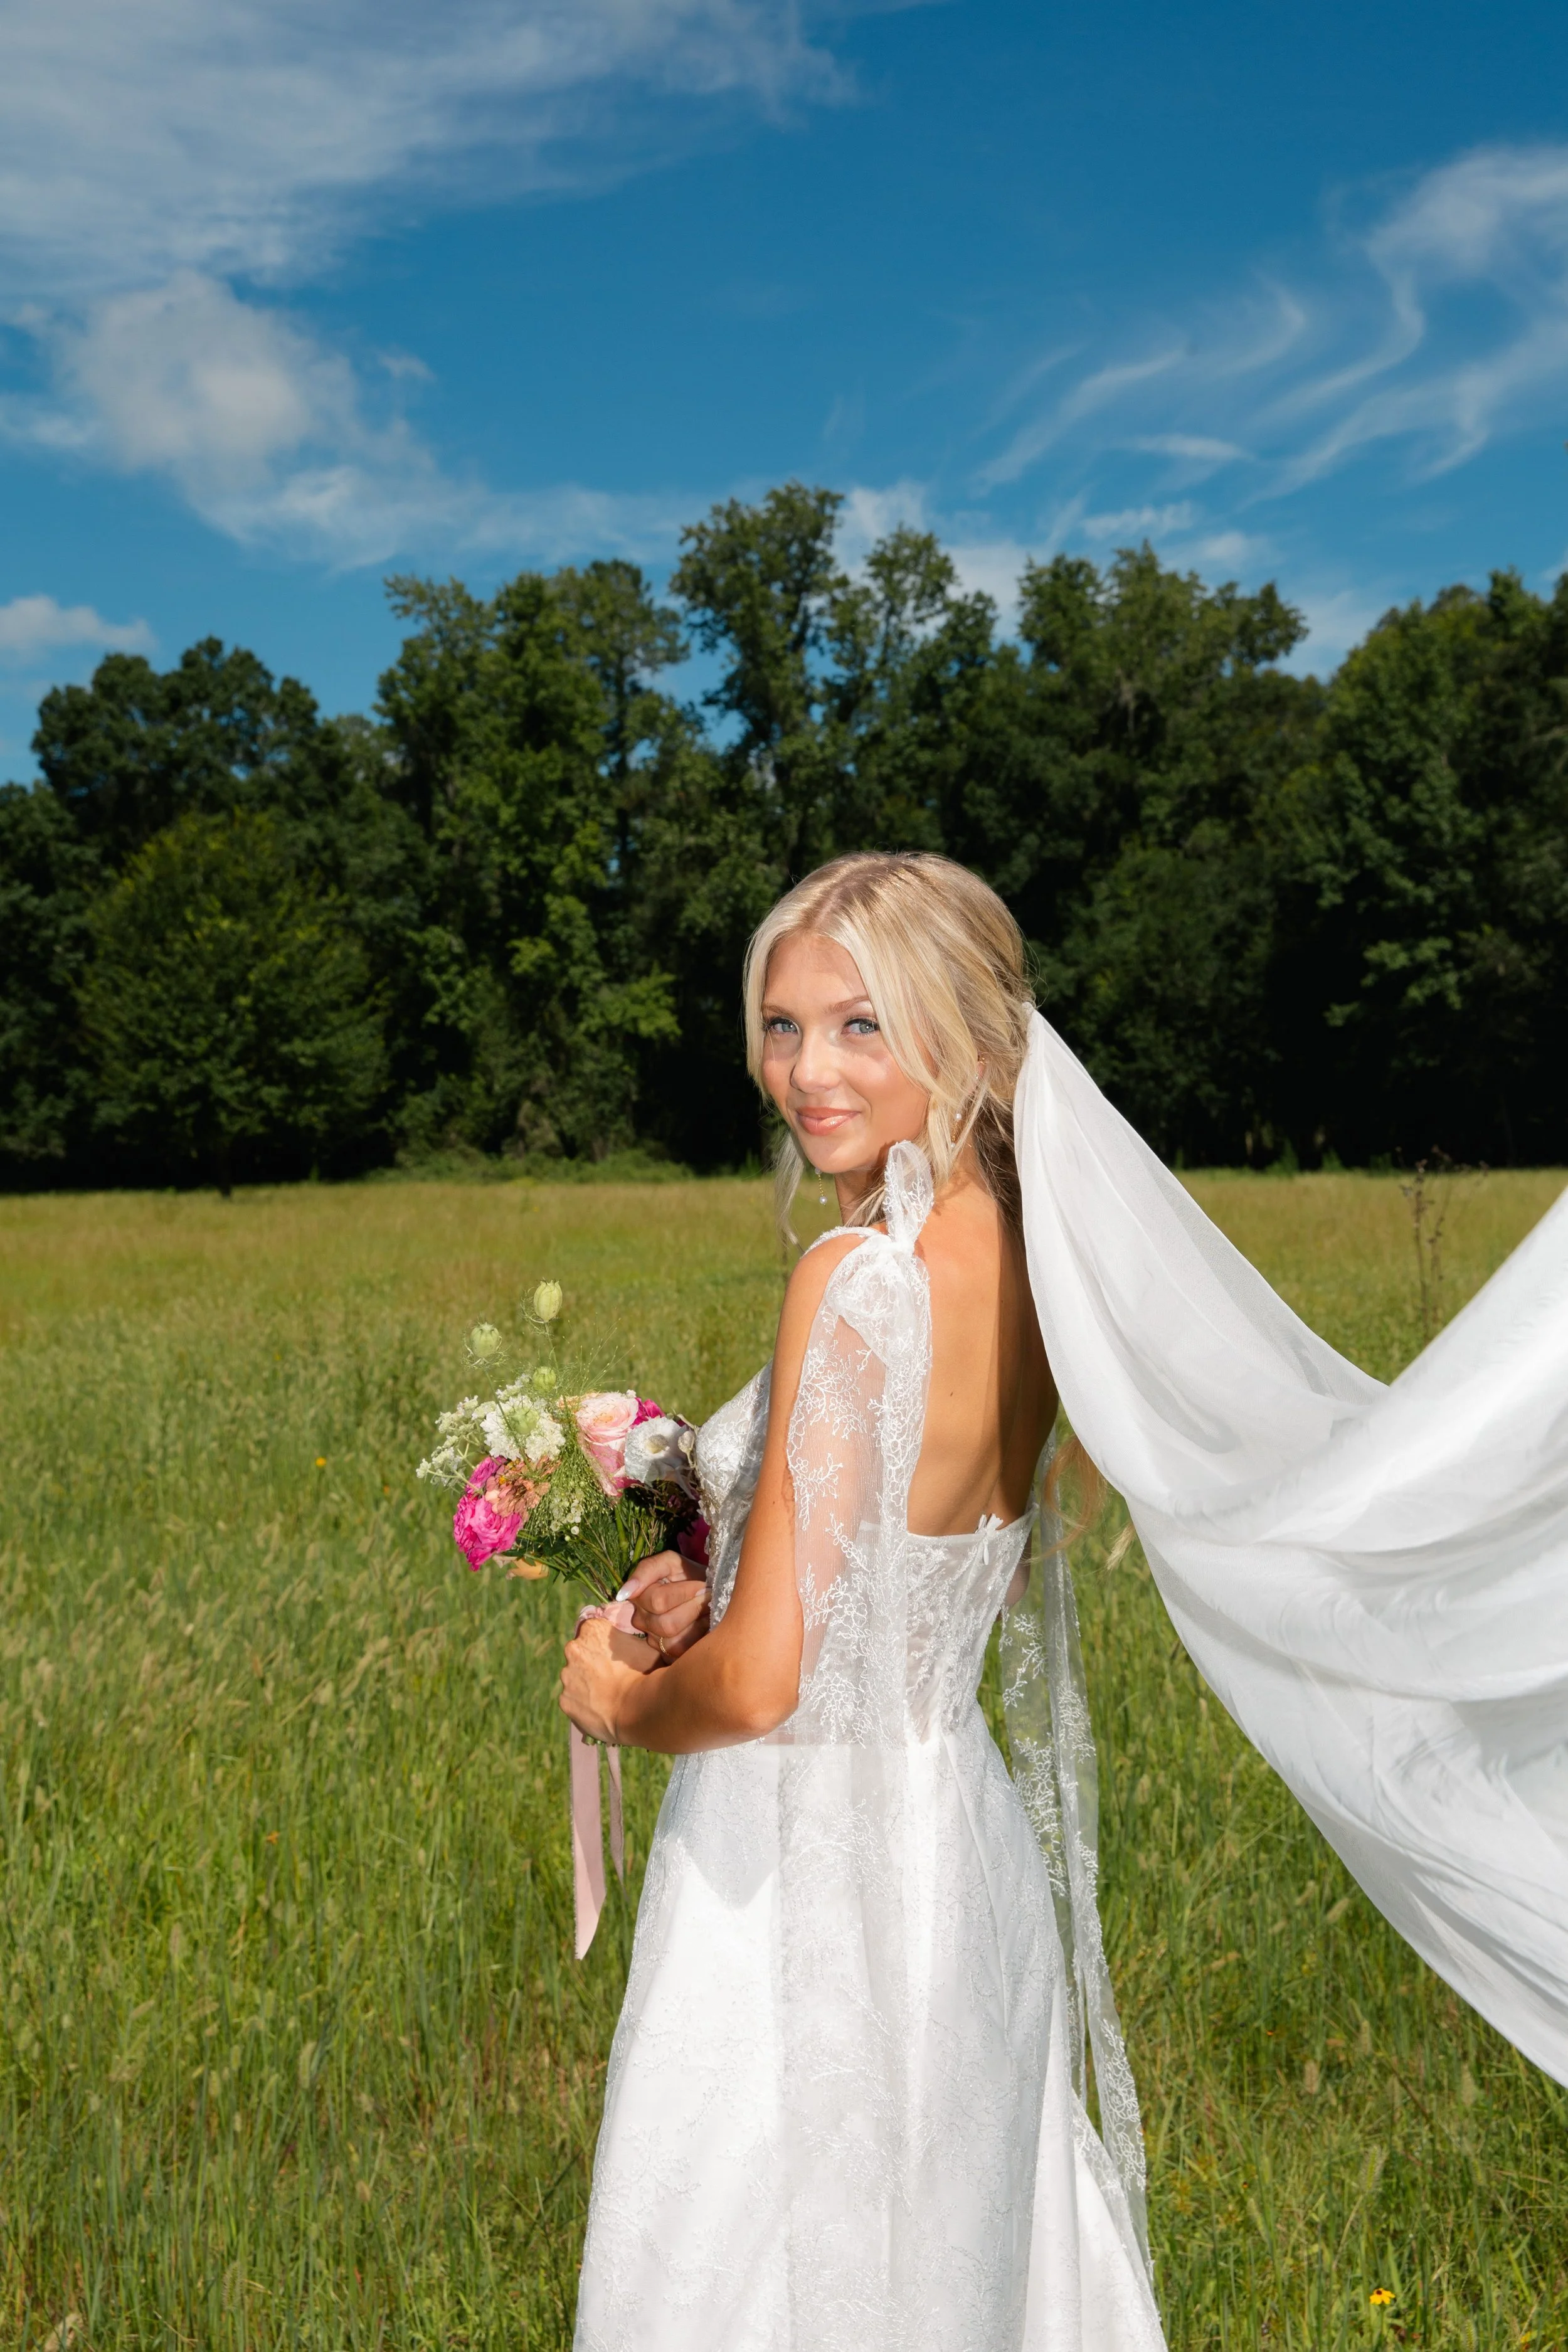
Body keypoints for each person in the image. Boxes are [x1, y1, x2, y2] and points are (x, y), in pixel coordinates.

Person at [560, 852, 1568, 2352]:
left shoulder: (852, 1277)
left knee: (744, 2268)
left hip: (794, 1859)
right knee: (961, 2266)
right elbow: (889, 1569)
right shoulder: (1033, 1267)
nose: (806, 1073)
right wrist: (691, 1577)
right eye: (781, 1027)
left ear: (962, 1039)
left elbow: (769, 1683)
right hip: (947, 1840)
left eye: (861, 1026)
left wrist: (626, 1705)